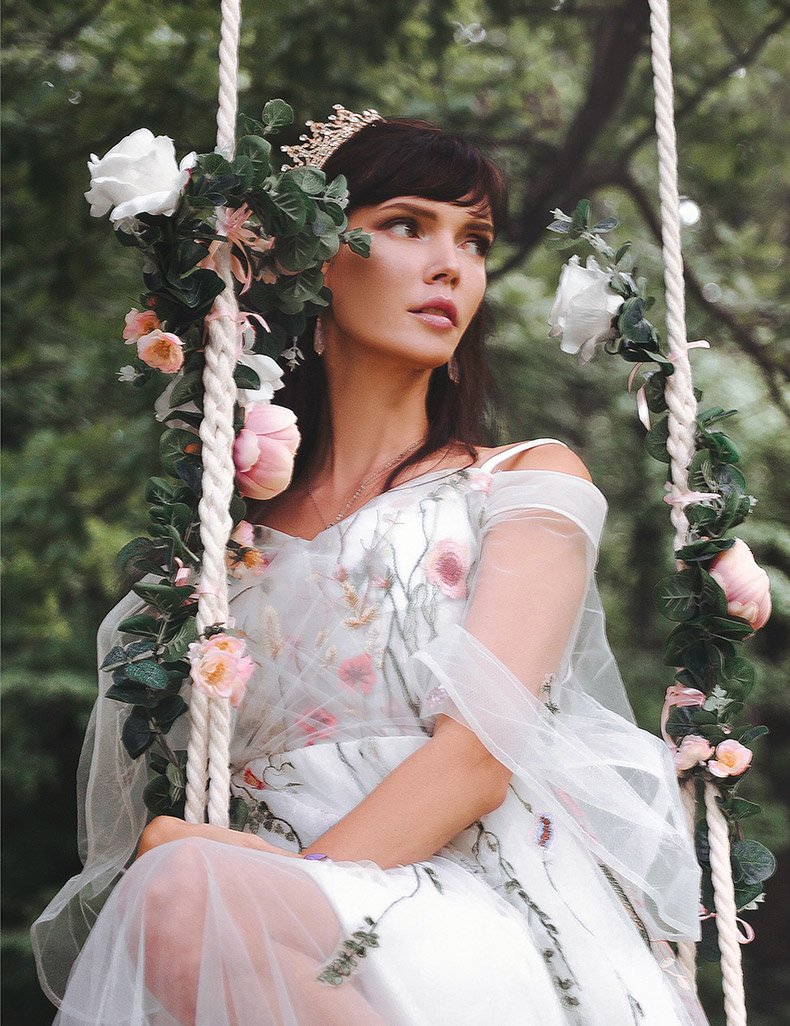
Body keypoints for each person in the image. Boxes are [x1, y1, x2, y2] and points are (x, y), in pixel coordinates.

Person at [32, 113, 711, 1026]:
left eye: (473, 240)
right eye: (406, 225)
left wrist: (253, 900)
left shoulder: (523, 483)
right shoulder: (220, 551)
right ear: (314, 261)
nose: (451, 266)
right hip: (264, 927)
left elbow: (475, 760)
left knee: (182, 887)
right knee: (171, 868)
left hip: (461, 903)